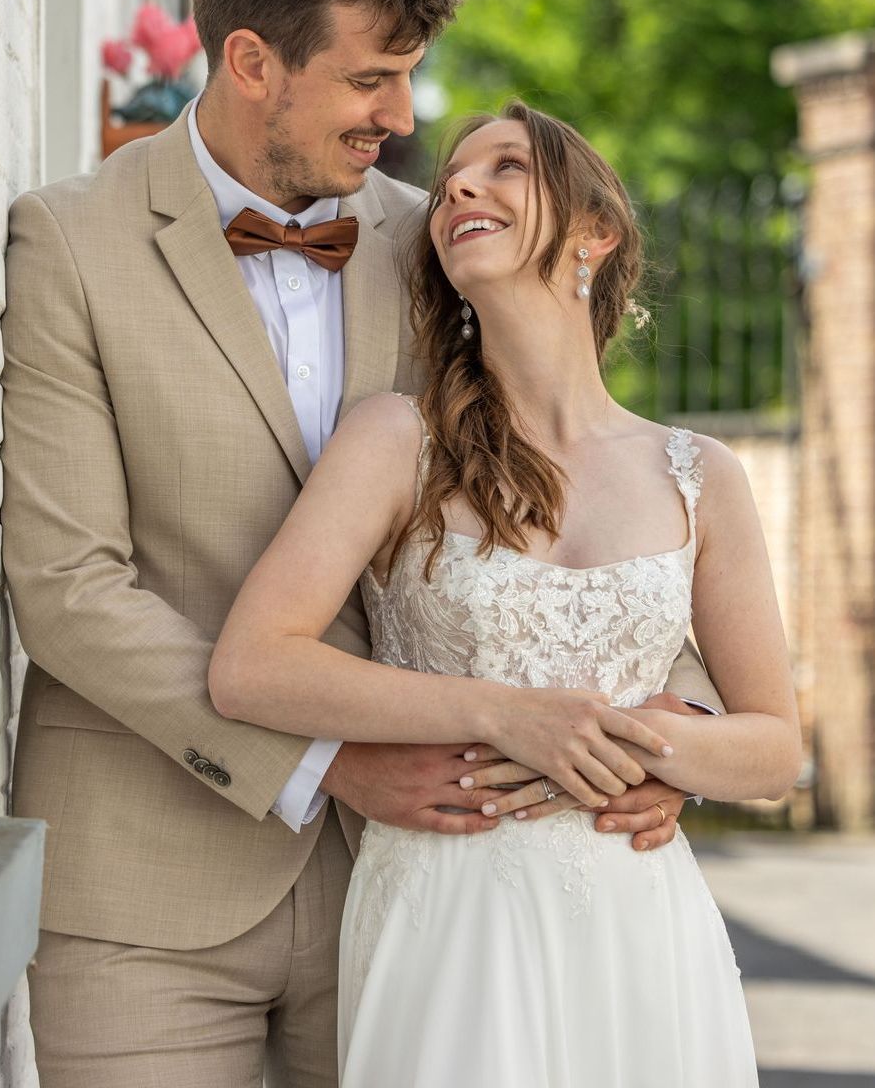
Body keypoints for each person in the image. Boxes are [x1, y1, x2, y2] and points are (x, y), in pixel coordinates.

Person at [1, 0, 721, 1088]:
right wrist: (323, 758)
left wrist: (665, 730)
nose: (400, 115)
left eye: (408, 74)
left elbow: (580, 474)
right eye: (368, 77)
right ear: (250, 61)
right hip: (142, 892)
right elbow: (68, 585)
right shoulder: (68, 239)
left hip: (422, 890)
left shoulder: (434, 239)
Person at [209, 99, 802, 1086]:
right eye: (450, 180)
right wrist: (508, 714)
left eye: (508, 168)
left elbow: (774, 745)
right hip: (449, 920)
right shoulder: (395, 439)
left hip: (639, 927)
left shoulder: (699, 472)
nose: (461, 188)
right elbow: (252, 664)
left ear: (594, 231)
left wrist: (656, 746)